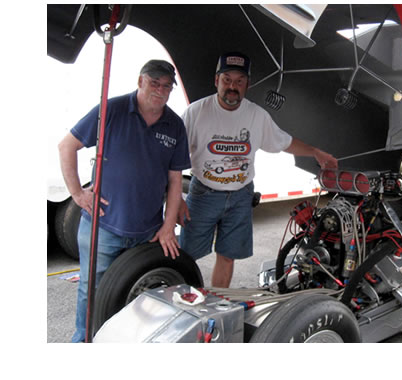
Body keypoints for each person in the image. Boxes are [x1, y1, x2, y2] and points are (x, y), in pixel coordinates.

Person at [178, 52, 338, 288]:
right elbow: (174, 155)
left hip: (241, 195)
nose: (233, 87)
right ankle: (185, 303)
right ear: (216, 81)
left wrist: (315, 152)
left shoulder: (256, 115)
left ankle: (218, 303)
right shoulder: (196, 112)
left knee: (227, 255)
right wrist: (176, 198)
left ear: (247, 85)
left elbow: (283, 142)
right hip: (203, 194)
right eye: (227, 80)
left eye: (239, 81)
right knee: (186, 255)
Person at [58, 59, 191, 342]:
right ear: (140, 80)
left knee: (134, 293)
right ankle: (83, 342)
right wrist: (77, 194)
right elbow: (67, 145)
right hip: (104, 228)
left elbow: (175, 180)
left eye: (167, 86)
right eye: (155, 83)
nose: (160, 90)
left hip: (148, 233)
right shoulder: (111, 110)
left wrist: (168, 227)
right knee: (91, 290)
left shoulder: (175, 125)